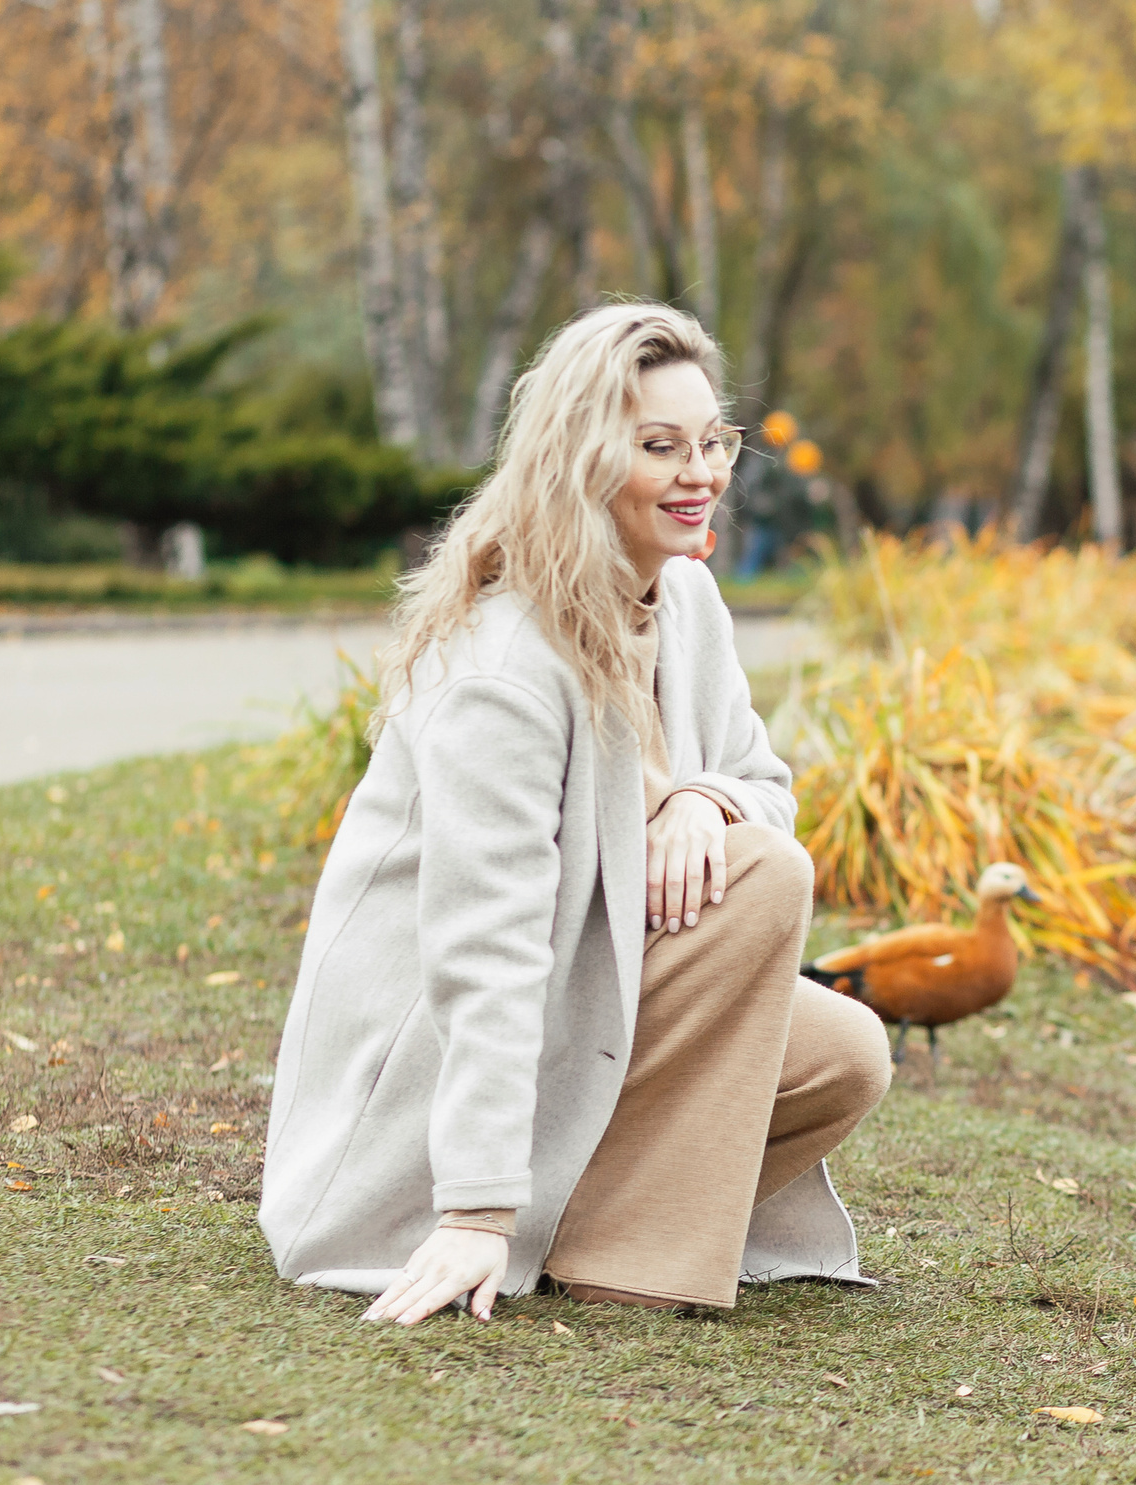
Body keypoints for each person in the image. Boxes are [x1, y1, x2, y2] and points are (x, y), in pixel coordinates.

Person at [258, 303, 891, 1326]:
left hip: (594, 979)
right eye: (660, 447)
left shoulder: (685, 600)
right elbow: (487, 947)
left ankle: (601, 1234)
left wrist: (703, 798)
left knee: (843, 1055)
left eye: (712, 442)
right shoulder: (505, 668)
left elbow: (764, 783)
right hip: (435, 1056)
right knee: (768, 877)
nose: (700, 473)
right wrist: (474, 1207)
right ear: (585, 458)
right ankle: (526, 1217)